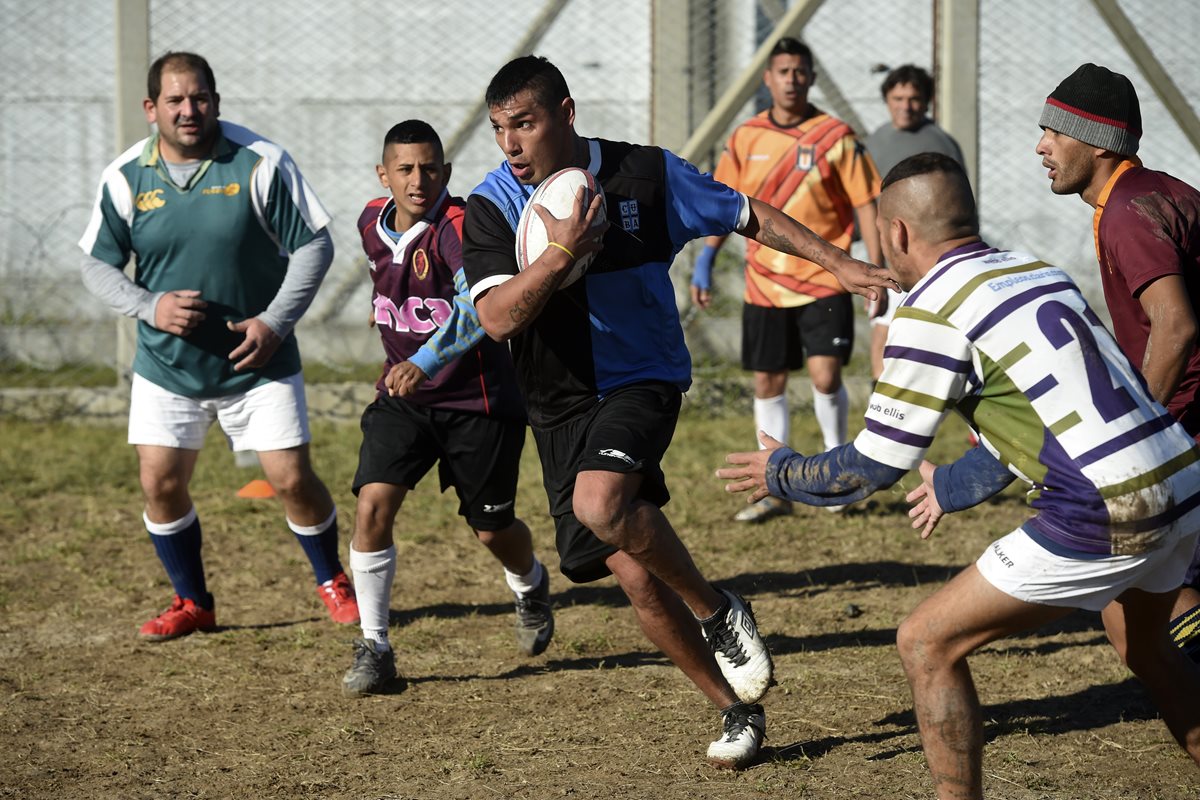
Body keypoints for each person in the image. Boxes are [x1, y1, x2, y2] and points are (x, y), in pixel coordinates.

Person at [718, 153, 1200, 798]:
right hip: (1182, 476)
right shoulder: (1038, 272)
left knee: (925, 641)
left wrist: (783, 472)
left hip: (1109, 504)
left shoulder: (932, 308)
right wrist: (954, 483)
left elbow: (871, 467)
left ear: (896, 235)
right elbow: (1052, 411)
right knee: (1147, 648)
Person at [461, 55, 895, 770]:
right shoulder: (492, 205)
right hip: (558, 401)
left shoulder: (645, 175)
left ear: (565, 116)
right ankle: (734, 710)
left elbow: (747, 213)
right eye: (500, 128)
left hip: (642, 379)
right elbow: (500, 320)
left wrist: (837, 264)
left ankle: (719, 609)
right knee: (634, 572)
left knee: (602, 505)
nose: (511, 144)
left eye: (526, 124)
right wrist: (561, 253)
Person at [77, 52, 357, 640]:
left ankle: (332, 577)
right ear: (151, 108)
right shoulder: (126, 177)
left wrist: (275, 321)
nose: (188, 110)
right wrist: (149, 305)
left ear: (216, 101)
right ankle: (192, 601)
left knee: (290, 480)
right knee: (159, 481)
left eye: (199, 97)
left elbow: (314, 246)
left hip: (258, 361)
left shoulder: (260, 162)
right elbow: (96, 265)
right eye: (175, 100)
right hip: (166, 365)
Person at [341, 120, 552, 697]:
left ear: (446, 172)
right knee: (372, 507)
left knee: (491, 529)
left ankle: (529, 583)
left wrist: (426, 360)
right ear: (383, 174)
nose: (418, 179)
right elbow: (391, 278)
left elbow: (474, 305)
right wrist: (385, 309)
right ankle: (375, 647)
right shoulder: (369, 222)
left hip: (477, 402)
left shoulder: (459, 227)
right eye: (405, 169)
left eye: (430, 168)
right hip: (403, 401)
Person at [1035, 62, 1200, 661]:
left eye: (1055, 132)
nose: (1041, 146)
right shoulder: (1160, 192)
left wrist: (1139, 435)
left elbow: (1176, 326)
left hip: (1187, 427)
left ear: (1098, 142)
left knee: (1139, 594)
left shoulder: (1128, 212)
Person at [689, 37, 884, 523]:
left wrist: (873, 268)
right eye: (783, 72)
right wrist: (705, 260)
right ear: (767, 79)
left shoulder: (835, 135)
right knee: (768, 381)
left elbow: (865, 201)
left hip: (825, 277)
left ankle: (840, 479)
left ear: (812, 78)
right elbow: (723, 203)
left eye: (800, 71)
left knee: (825, 375)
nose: (792, 79)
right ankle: (773, 486)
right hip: (763, 282)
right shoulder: (746, 136)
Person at [864, 64, 964, 380]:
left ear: (926, 101)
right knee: (884, 329)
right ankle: (880, 403)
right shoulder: (874, 144)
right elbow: (864, 205)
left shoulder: (943, 145)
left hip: (931, 260)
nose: (905, 106)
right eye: (898, 98)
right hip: (888, 256)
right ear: (887, 100)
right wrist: (875, 261)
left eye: (913, 98)